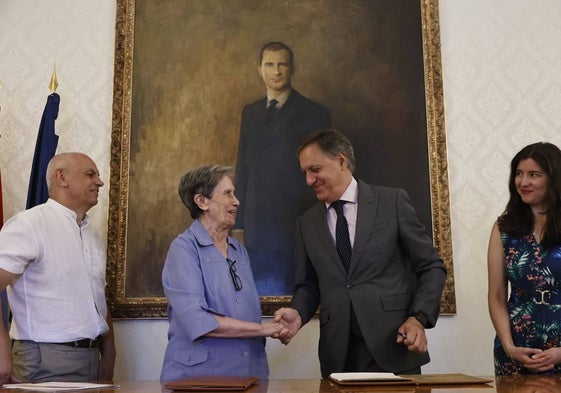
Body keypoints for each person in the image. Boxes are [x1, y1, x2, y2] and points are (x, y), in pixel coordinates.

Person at [274, 129, 446, 377]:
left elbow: (431, 267)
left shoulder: (392, 202)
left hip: (395, 346)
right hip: (338, 357)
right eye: (305, 173)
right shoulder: (306, 223)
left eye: (315, 170)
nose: (309, 181)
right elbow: (308, 286)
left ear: (341, 161)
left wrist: (418, 318)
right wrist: (298, 313)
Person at [0, 152, 115, 384]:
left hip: (91, 358)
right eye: (90, 174)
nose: (100, 182)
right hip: (43, 360)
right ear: (61, 177)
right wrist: (2, 355)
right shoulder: (30, 225)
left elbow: (96, 298)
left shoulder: (91, 234)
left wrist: (109, 352)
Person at [160, 165, 283, 382]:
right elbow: (198, 321)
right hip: (199, 380)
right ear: (202, 201)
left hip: (250, 374)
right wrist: (264, 329)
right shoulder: (184, 249)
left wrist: (277, 324)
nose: (236, 201)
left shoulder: (239, 250)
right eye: (227, 194)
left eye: (234, 194)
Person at [234, 41, 332, 295]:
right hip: (256, 226)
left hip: (296, 222)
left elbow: (325, 174)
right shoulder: (251, 112)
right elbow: (243, 170)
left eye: (282, 65)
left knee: (296, 295)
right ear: (260, 70)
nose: (276, 71)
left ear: (292, 69)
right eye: (269, 65)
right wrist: (239, 224)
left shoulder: (315, 113)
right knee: (258, 298)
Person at [488, 142, 561, 375]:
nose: (523, 182)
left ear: (554, 178)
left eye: (534, 175)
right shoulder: (504, 227)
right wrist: (510, 348)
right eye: (519, 174)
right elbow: (497, 295)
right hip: (515, 353)